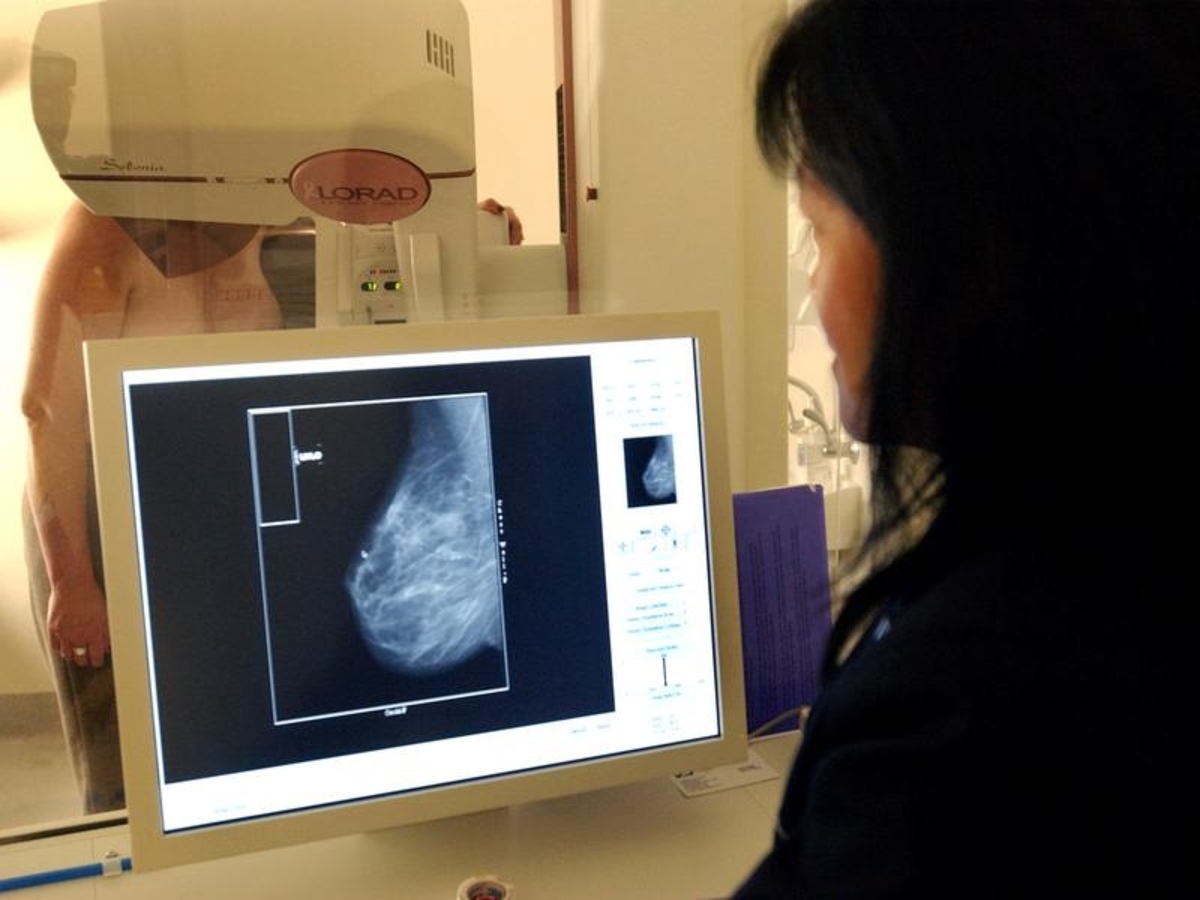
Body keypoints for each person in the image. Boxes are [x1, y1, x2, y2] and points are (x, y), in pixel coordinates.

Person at [734, 1, 1200, 897]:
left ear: (963, 244)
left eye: (819, 225)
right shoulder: (1116, 556)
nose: (814, 283)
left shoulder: (970, 728)